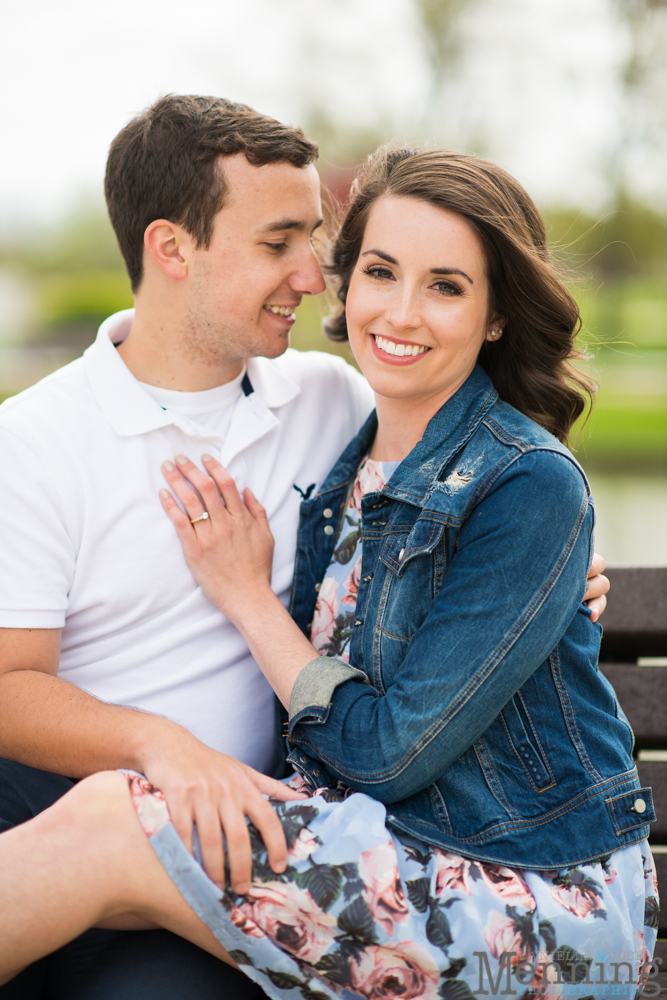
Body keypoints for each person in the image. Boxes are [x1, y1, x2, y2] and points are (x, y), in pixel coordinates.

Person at [0, 147, 656, 998]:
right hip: (371, 850)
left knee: (110, 818)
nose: (401, 311)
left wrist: (244, 593)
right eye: (380, 272)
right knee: (106, 822)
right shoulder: (345, 449)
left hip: (520, 901)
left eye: (447, 286)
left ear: (496, 315)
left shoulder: (524, 479)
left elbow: (386, 756)